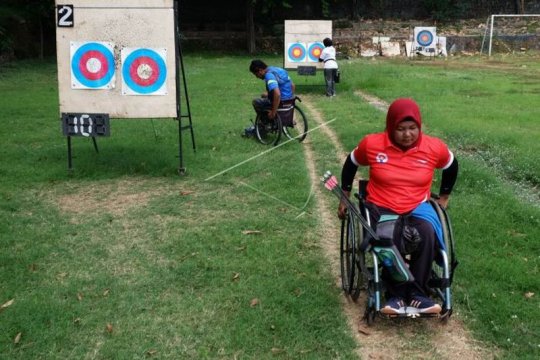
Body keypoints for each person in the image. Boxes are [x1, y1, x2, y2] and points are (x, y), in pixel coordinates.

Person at [337, 98, 459, 315]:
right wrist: (344, 194)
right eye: (400, 129)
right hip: (381, 206)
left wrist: (445, 197)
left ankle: (418, 294)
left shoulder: (433, 147)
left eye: (413, 128)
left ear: (419, 127)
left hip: (417, 206)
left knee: (428, 233)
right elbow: (352, 161)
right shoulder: (373, 144)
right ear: (390, 126)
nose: (407, 134)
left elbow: (451, 164)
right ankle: (396, 296)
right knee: (387, 237)